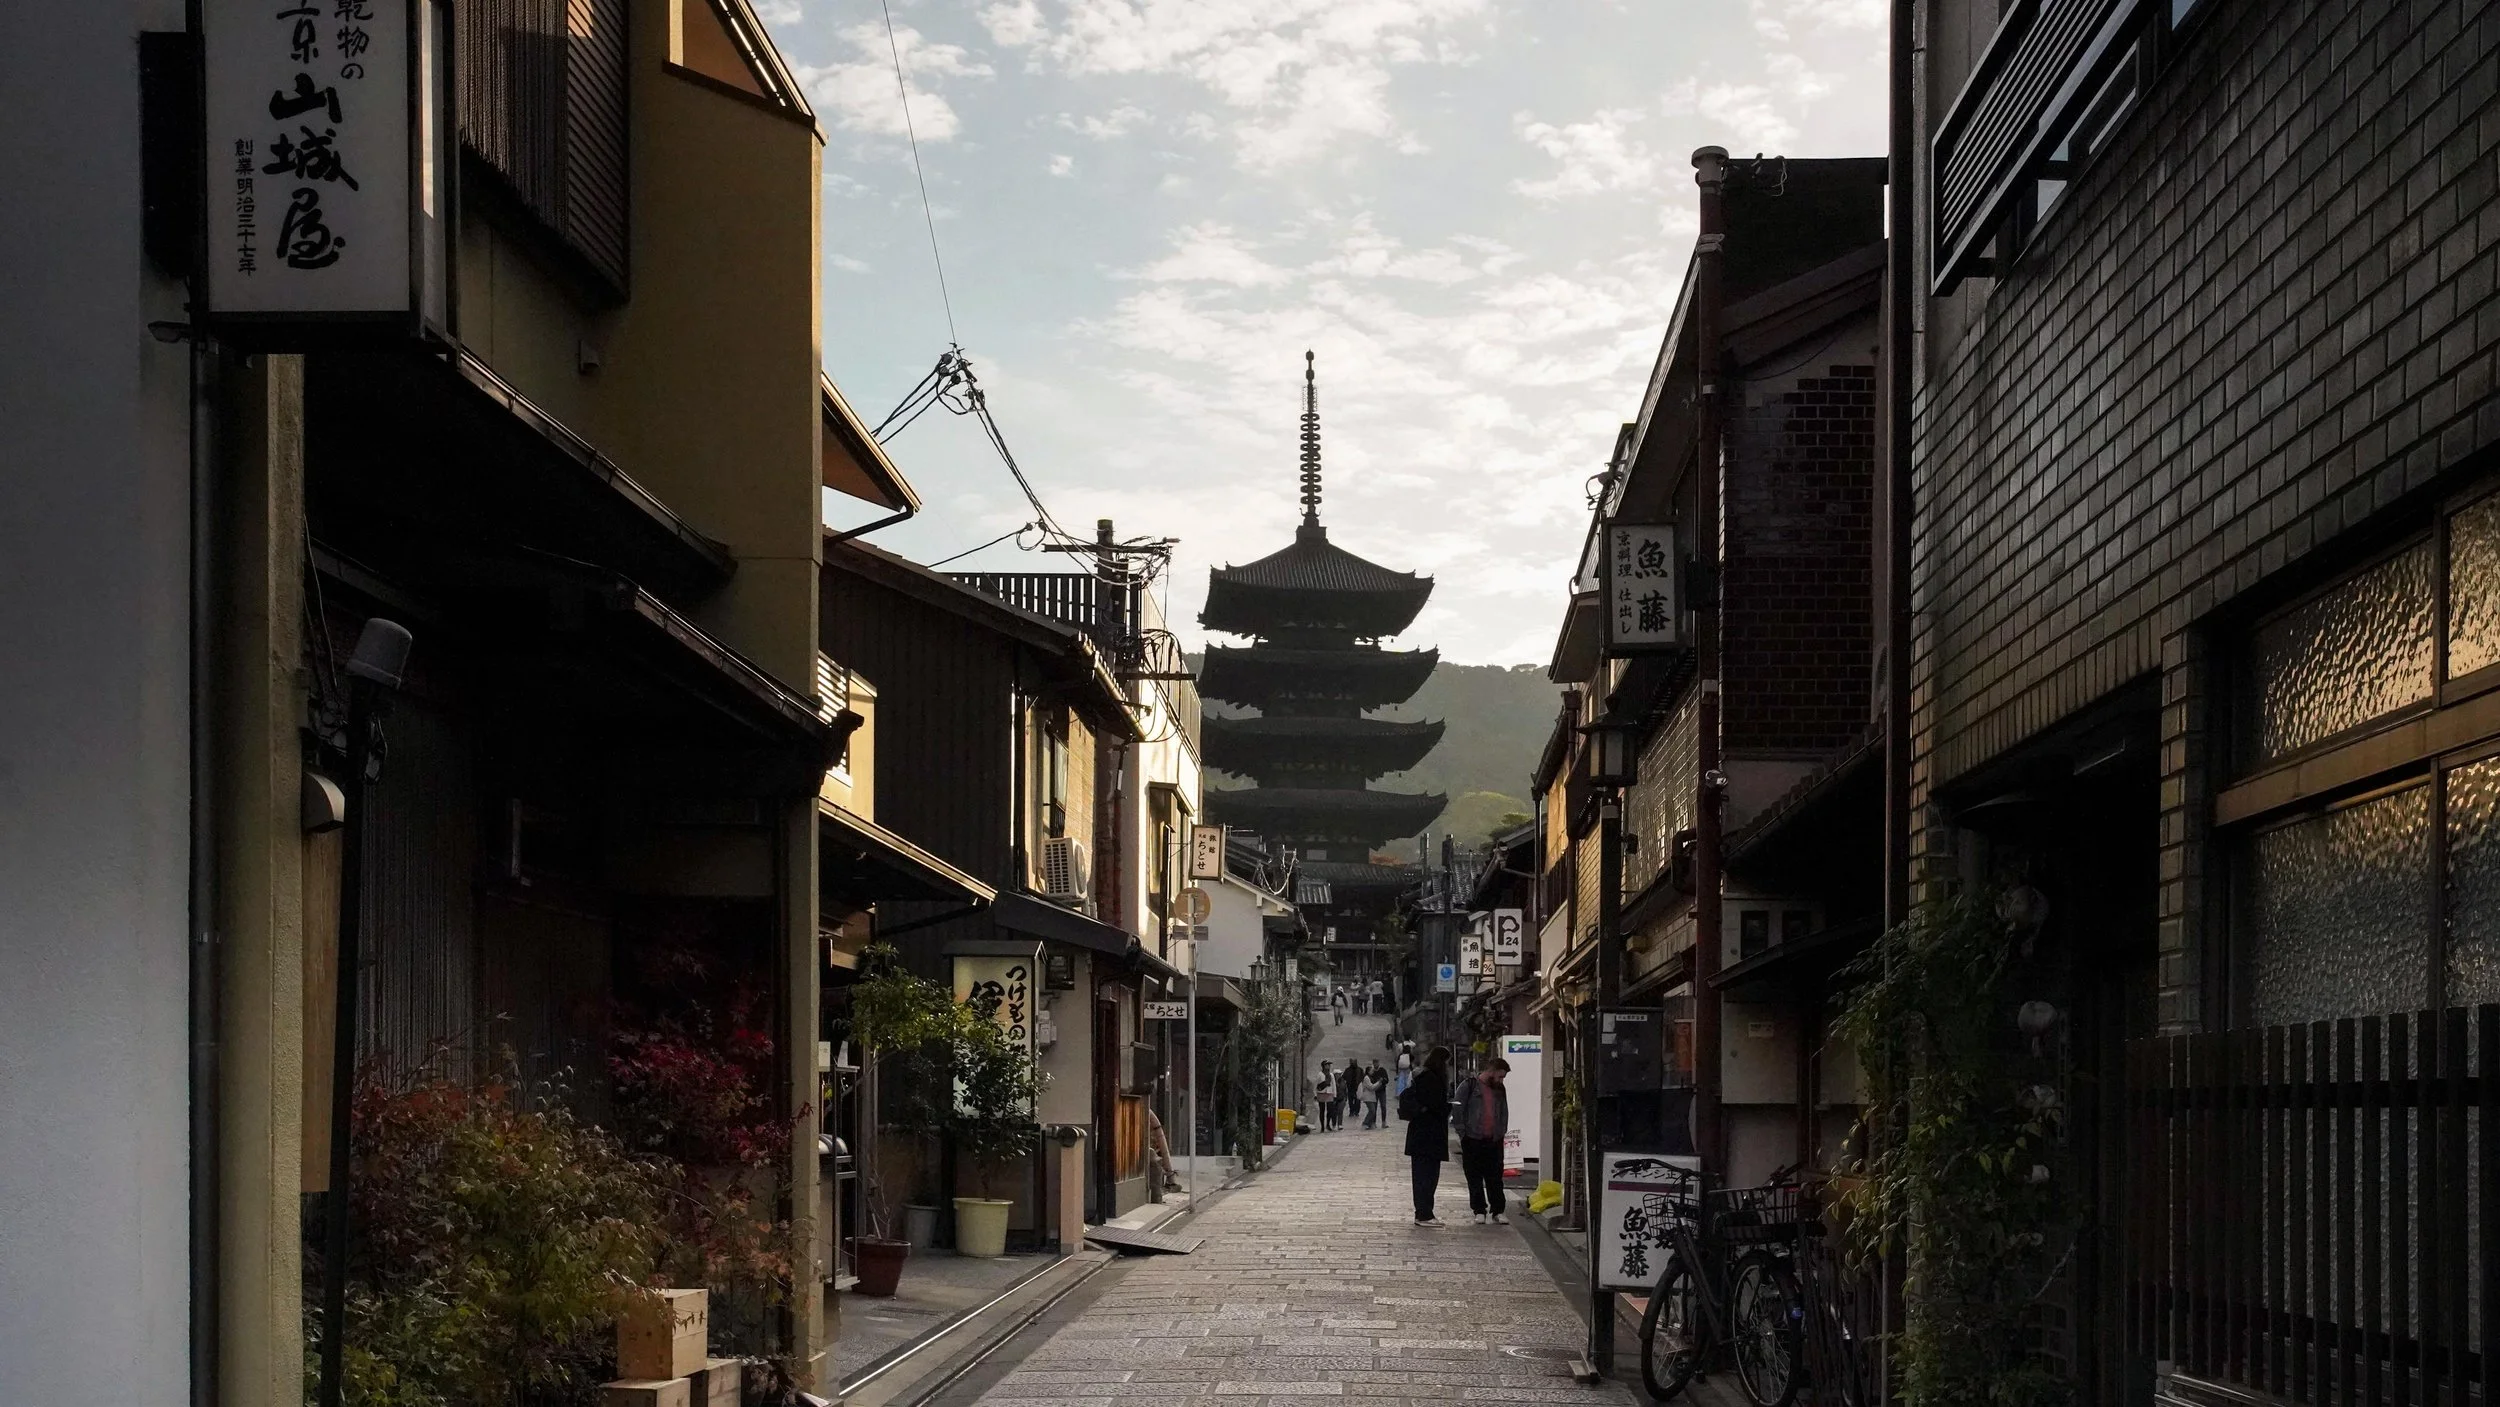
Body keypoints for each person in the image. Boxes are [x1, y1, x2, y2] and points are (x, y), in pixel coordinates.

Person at [1400, 1046, 1453, 1226]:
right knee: (1428, 1177)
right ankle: (1424, 1214)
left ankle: (1422, 1212)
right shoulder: (1432, 1079)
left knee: (1421, 1176)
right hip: (1429, 1136)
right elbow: (1436, 1106)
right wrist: (1449, 1107)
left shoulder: (1422, 1076)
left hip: (1419, 1135)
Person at [1456, 1057, 1511, 1224]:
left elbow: (1504, 1111)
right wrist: (1462, 1133)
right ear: (1491, 1071)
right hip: (1473, 1138)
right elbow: (1457, 1108)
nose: (1501, 1080)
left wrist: (1501, 1131)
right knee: (1474, 1176)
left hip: (1494, 1138)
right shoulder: (1469, 1086)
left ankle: (1498, 1210)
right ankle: (1479, 1209)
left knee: (1495, 1175)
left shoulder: (1499, 1089)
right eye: (1500, 1076)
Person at [1362, 1062, 1388, 1129]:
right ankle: (1367, 1123)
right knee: (1373, 1110)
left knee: (1378, 1108)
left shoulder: (1381, 1071)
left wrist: (1380, 1082)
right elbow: (1371, 1087)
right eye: (1371, 1071)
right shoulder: (1367, 1078)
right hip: (1369, 1096)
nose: (1372, 1072)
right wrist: (1379, 1082)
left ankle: (1370, 1123)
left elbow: (1386, 1080)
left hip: (1378, 1093)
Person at [1337, 1061, 1361, 1131]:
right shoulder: (1348, 1070)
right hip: (1350, 1088)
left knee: (1357, 1100)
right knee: (1351, 1101)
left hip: (1357, 1087)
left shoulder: (1359, 1070)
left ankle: (1356, 1111)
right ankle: (1351, 1111)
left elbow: (1362, 1077)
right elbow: (1344, 1077)